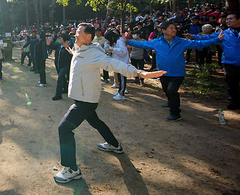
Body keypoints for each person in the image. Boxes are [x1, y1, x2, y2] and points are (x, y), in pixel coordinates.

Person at [54, 23, 165, 183]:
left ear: (88, 37)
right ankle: (114, 145)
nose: (75, 34)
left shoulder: (93, 53)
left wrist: (139, 72)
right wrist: (73, 51)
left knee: (64, 128)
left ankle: (71, 169)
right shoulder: (81, 49)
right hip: (84, 98)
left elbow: (115, 64)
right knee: (96, 122)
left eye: (78, 32)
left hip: (85, 101)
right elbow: (81, 56)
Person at [126, 21, 223, 121]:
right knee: (166, 90)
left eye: (175, 28)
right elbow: (141, 44)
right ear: (163, 30)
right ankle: (171, 102)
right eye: (171, 28)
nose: (174, 30)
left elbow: (199, 44)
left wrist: (216, 40)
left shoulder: (181, 42)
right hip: (163, 72)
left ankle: (175, 113)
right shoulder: (156, 42)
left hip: (177, 73)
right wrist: (126, 41)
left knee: (172, 91)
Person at [185, 12, 240, 110]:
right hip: (229, 63)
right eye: (227, 19)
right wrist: (194, 36)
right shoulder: (224, 33)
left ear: (239, 20)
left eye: (231, 19)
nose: (228, 21)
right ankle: (234, 103)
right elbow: (208, 37)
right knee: (232, 84)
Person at [104, 30, 129, 101]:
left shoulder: (119, 41)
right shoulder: (114, 42)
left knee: (122, 78)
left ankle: (122, 94)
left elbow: (123, 52)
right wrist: (107, 44)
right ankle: (119, 91)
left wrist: (114, 49)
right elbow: (108, 49)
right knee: (119, 78)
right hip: (118, 63)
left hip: (123, 63)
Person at [49, 32, 73, 100]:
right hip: (58, 65)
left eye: (61, 38)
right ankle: (65, 89)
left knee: (60, 79)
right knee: (62, 78)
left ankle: (58, 95)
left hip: (65, 66)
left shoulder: (69, 47)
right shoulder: (58, 46)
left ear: (64, 39)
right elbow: (51, 46)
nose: (59, 39)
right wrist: (49, 42)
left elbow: (71, 55)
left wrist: (67, 48)